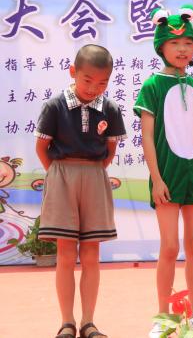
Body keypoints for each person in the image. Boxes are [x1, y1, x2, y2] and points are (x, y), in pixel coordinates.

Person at [134, 5, 193, 338]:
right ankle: (165, 317)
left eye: (188, 44)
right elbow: (147, 136)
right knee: (169, 247)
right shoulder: (152, 86)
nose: (182, 50)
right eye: (174, 43)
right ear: (161, 47)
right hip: (166, 178)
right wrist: (156, 179)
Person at [35, 44, 127, 338]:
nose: (93, 88)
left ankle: (88, 322)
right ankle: (67, 322)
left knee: (91, 254)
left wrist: (93, 171)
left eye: (102, 83)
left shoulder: (110, 108)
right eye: (87, 80)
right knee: (65, 254)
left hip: (95, 175)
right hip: (61, 174)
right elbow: (42, 147)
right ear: (73, 72)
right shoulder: (55, 106)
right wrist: (59, 174)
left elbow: (110, 150)